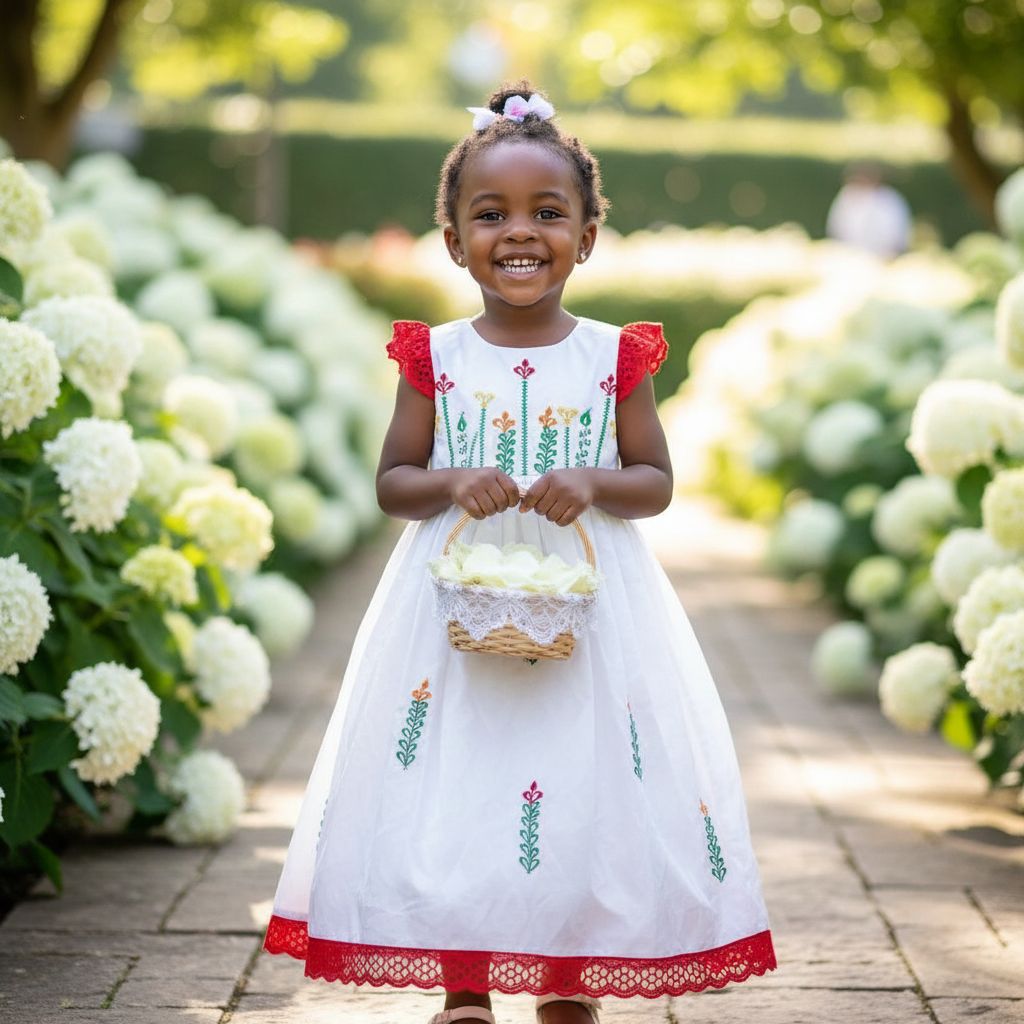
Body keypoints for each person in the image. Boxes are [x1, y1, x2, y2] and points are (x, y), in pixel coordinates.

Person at [261, 80, 777, 1024]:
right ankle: (464, 983)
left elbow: (656, 482)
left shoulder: (616, 355)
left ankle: (569, 974)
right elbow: (393, 481)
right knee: (459, 777)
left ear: (586, 234)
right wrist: (453, 481)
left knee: (580, 781)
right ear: (454, 241)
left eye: (548, 212)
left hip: (591, 603)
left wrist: (596, 481)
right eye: (490, 214)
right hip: (451, 606)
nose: (520, 233)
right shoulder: (438, 356)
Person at [825, 162, 913, 259]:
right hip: (849, 256)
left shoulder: (890, 199)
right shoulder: (846, 196)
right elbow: (835, 226)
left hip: (883, 257)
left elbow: (898, 234)